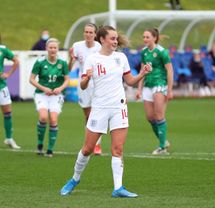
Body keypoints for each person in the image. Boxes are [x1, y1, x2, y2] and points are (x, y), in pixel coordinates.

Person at [60, 25, 151, 197]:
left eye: (116, 38)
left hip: (119, 107)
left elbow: (130, 80)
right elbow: (83, 84)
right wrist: (86, 79)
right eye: (112, 38)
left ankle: (118, 188)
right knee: (87, 149)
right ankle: (75, 178)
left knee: (117, 149)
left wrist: (142, 73)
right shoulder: (92, 59)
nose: (115, 41)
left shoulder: (121, 57)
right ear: (102, 39)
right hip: (100, 108)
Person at [136, 28, 174, 155]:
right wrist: (139, 89)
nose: (145, 39)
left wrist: (169, 89)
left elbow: (169, 70)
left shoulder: (162, 52)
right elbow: (142, 71)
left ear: (154, 38)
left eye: (147, 37)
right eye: (144, 37)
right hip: (148, 84)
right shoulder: (144, 52)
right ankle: (163, 141)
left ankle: (162, 147)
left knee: (159, 115)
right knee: (150, 117)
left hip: (160, 84)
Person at [29, 38, 70, 157]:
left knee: (53, 119)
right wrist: (43, 88)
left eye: (55, 48)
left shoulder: (62, 63)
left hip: (56, 95)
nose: (52, 50)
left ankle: (50, 149)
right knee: (43, 117)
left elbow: (67, 79)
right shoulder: (40, 62)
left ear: (57, 49)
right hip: (42, 94)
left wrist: (60, 88)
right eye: (50, 47)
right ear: (46, 48)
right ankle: (40, 144)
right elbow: (31, 79)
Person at [68, 23, 103, 155]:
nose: (88, 34)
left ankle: (97, 145)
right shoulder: (77, 46)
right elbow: (69, 68)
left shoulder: (99, 47)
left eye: (90, 32)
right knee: (88, 116)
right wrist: (71, 59)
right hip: (83, 84)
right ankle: (90, 143)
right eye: (86, 32)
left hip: (98, 85)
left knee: (97, 114)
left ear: (95, 34)